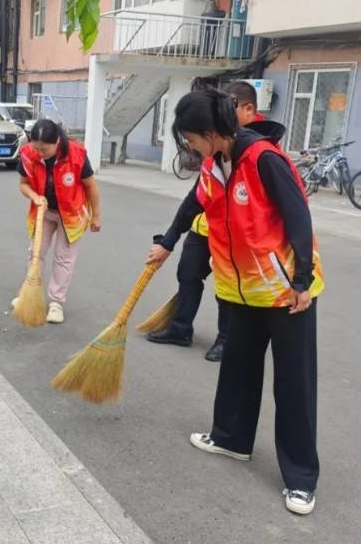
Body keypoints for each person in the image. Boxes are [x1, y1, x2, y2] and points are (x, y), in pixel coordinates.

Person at [146, 86, 324, 515]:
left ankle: (301, 478)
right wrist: (168, 242)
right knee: (238, 368)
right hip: (239, 288)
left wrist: (301, 280)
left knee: (293, 384)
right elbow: (194, 203)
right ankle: (230, 438)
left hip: (284, 292)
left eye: (190, 138)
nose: (188, 146)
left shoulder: (263, 159)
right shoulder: (214, 164)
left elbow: (299, 215)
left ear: (211, 132)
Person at [147, 81, 280, 362]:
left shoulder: (259, 151)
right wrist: (168, 241)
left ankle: (226, 338)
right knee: (188, 274)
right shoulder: (214, 152)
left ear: (248, 109)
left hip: (237, 237)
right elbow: (194, 200)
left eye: (229, 107)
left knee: (228, 286)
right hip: (205, 227)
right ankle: (180, 328)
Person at [14, 120, 101, 323]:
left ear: (57, 142)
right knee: (35, 253)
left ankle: (56, 303)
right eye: (36, 148)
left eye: (44, 149)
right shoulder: (28, 154)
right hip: (43, 211)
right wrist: (35, 197)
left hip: (72, 214)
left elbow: (91, 187)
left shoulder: (76, 154)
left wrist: (96, 215)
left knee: (64, 258)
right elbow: (23, 184)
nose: (39, 153)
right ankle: (30, 293)